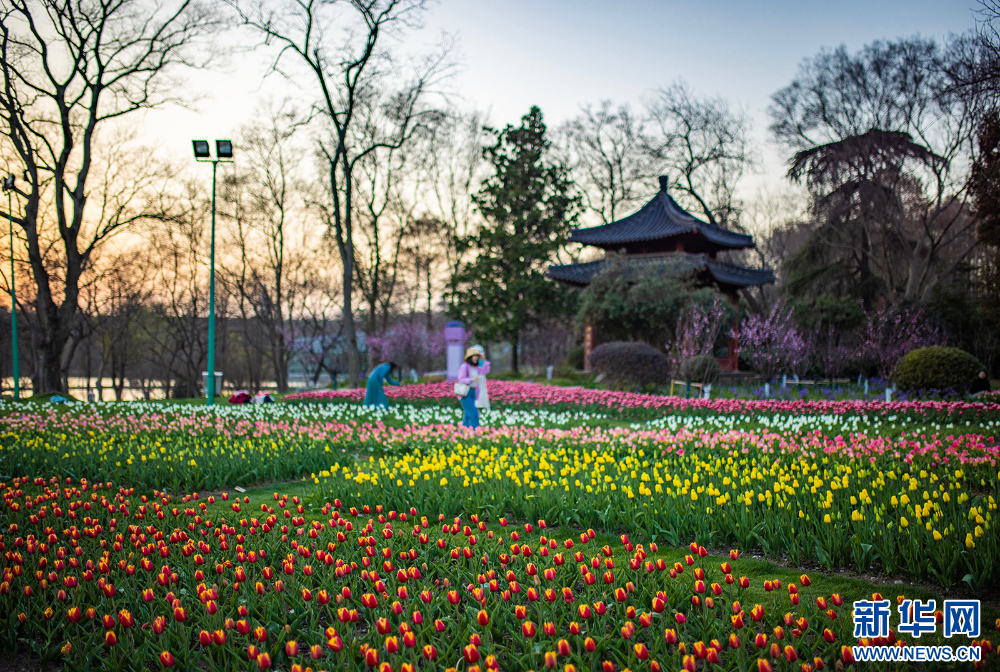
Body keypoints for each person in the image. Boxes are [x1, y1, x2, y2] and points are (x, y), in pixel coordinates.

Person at [457, 348, 489, 428]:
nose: (476, 358)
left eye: (477, 356)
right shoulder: (465, 367)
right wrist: (471, 379)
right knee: (474, 413)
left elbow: (485, 371)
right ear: (470, 357)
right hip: (465, 393)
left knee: (467, 415)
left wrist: (484, 360)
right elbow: (460, 379)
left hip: (474, 392)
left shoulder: (476, 367)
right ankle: (476, 432)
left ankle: (463, 433)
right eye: (474, 356)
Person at [472, 344, 491, 414]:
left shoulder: (482, 362)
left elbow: (486, 371)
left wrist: (484, 360)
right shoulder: (471, 363)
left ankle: (482, 409)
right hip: (474, 380)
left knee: (482, 395)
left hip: (481, 380)